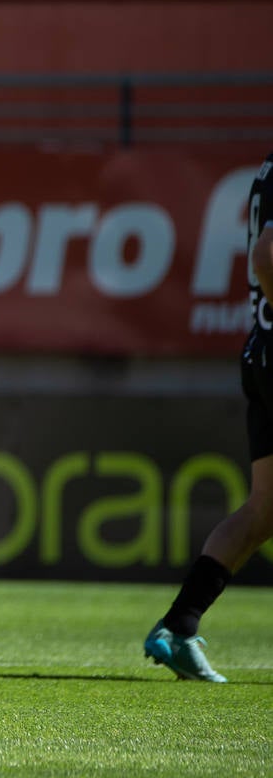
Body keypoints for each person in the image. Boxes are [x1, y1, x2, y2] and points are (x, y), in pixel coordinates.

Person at [143, 149, 273, 683]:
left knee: (264, 510)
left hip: (261, 351)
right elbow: (267, 256)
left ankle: (178, 627)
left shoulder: (267, 167)